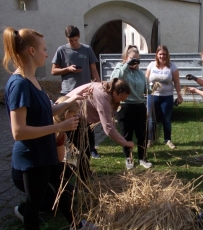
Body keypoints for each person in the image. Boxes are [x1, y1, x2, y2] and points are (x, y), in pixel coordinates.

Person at [3, 27, 86, 230]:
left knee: (62, 191)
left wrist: (71, 100)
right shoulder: (19, 84)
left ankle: (79, 226)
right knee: (34, 204)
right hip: (33, 157)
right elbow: (18, 131)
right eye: (44, 49)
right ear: (32, 51)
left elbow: (46, 110)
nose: (47, 54)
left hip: (45, 152)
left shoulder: (32, 80)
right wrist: (60, 126)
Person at [12, 96, 80, 222]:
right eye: (74, 115)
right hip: (26, 171)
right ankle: (23, 210)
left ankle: (74, 222)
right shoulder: (57, 132)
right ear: (65, 114)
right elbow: (59, 159)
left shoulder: (50, 122)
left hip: (36, 166)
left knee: (65, 190)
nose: (77, 118)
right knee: (47, 199)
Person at [51, 25, 101, 159]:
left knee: (88, 123)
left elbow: (94, 69)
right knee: (70, 123)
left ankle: (92, 148)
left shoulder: (87, 49)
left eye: (75, 40)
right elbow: (54, 70)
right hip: (68, 94)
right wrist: (68, 69)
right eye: (70, 40)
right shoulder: (61, 50)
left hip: (85, 93)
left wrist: (98, 85)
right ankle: (72, 148)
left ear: (78, 37)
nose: (73, 42)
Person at [66, 78, 135, 173]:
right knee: (84, 150)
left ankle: (85, 172)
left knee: (87, 147)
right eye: (121, 98)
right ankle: (82, 180)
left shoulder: (105, 88)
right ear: (114, 93)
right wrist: (125, 143)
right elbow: (108, 128)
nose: (121, 101)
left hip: (81, 119)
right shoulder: (103, 97)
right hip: (69, 116)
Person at [110, 45, 152, 170]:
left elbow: (145, 88)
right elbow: (115, 79)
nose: (135, 62)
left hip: (139, 106)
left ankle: (142, 158)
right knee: (126, 134)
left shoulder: (139, 73)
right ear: (126, 58)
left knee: (142, 134)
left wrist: (152, 87)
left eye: (137, 59)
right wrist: (127, 65)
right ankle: (128, 158)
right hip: (125, 106)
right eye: (133, 59)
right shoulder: (120, 68)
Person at [146, 45, 183, 149]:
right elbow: (146, 79)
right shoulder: (151, 65)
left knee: (166, 119)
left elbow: (177, 82)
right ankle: (150, 139)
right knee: (151, 119)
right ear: (157, 55)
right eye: (160, 54)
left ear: (167, 55)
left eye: (164, 54)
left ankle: (168, 140)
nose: (162, 56)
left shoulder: (172, 66)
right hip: (152, 95)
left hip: (167, 96)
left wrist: (179, 96)